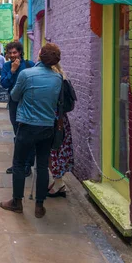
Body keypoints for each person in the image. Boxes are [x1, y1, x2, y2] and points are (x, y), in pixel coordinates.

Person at [0, 43, 62, 219]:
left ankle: (17, 202)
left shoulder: (27, 74)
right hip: (47, 126)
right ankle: (39, 205)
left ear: (40, 55)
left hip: (27, 124)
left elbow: (14, 96)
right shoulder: (57, 78)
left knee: (19, 163)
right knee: (42, 165)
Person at [0, 41, 34, 174]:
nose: (12, 55)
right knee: (18, 133)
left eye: (15, 52)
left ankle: (28, 165)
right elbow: (4, 84)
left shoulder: (29, 65)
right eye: (10, 53)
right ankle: (18, 163)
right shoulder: (7, 66)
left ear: (20, 52)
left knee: (28, 133)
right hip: (14, 102)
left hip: (28, 102)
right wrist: (12, 71)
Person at [47, 64, 74, 198]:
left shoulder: (54, 81)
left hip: (54, 122)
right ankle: (59, 182)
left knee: (53, 152)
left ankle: (59, 184)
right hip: (62, 121)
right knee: (56, 151)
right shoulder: (63, 78)